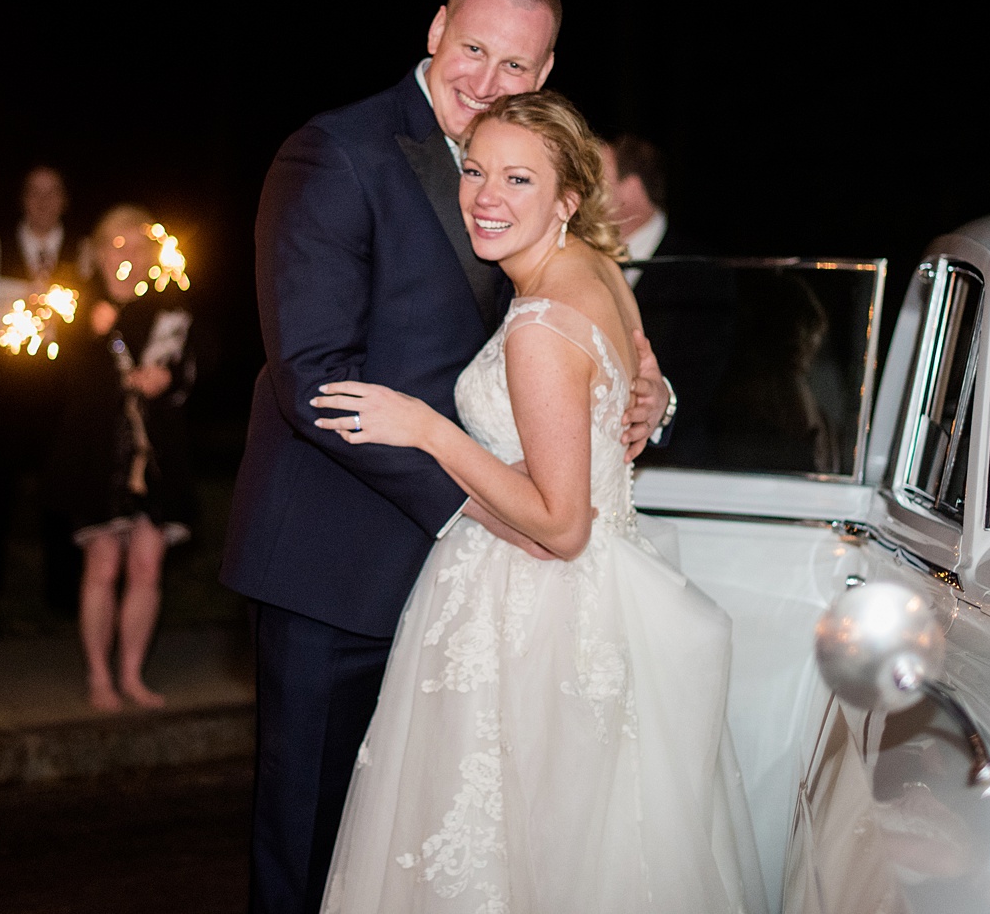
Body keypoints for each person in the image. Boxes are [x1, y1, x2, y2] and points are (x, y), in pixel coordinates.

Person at [223, 0, 673, 913]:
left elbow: (582, 323)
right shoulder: (334, 154)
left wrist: (647, 388)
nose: (486, 78)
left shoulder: (533, 173)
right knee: (310, 850)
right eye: (473, 47)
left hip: (489, 589)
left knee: (439, 855)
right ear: (435, 29)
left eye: (516, 63)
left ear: (545, 70)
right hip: (337, 567)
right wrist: (478, 505)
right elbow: (312, 377)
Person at [312, 91, 764, 912]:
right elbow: (630, 383)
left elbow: (559, 524)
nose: (487, 196)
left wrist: (429, 430)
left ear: (567, 199)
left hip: (530, 617)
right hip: (602, 605)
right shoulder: (599, 269)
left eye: (519, 179)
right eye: (476, 170)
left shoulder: (537, 325)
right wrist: (653, 398)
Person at [51, 205, 197, 711]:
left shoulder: (169, 309)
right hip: (98, 456)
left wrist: (166, 379)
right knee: (103, 565)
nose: (127, 257)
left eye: (138, 246)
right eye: (116, 245)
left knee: (146, 566)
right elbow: (59, 385)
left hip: (155, 457)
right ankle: (99, 678)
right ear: (96, 252)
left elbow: (191, 371)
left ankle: (132, 674)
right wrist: (91, 336)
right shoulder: (74, 307)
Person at [0, 164, 81, 634]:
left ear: (65, 199)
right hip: (1, 392)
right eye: (33, 193)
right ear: (22, 199)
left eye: (53, 192)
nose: (43, 202)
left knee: (64, 497)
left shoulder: (83, 254)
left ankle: (65, 600)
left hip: (63, 393)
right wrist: (26, 296)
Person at [602, 133, 736, 465]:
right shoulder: (585, 263)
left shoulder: (701, 272)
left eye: (594, 178)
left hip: (673, 467)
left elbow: (706, 386)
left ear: (630, 189)